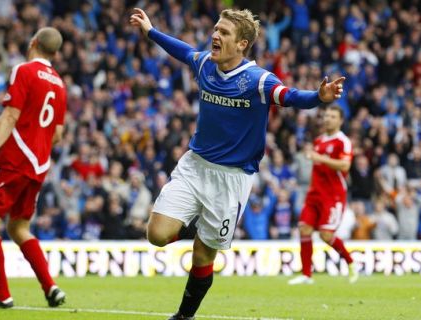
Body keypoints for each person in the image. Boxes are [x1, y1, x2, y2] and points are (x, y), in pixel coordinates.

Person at [130, 7, 345, 319]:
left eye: (224, 32)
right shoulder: (205, 63)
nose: (215, 35)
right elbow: (183, 51)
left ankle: (184, 315)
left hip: (232, 180)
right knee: (157, 235)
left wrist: (319, 97)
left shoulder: (258, 81)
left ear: (242, 44)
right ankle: (194, 222)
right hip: (195, 166)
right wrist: (150, 31)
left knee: (203, 255)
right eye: (216, 29)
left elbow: (293, 96)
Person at [0, 27, 67, 309]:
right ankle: (51, 288)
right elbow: (58, 134)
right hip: (39, 164)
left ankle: (2, 296)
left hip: (15, 159)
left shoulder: (23, 70)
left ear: (33, 42)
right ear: (56, 53)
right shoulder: (59, 84)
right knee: (19, 226)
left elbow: (10, 114)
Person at [288, 105, 358, 285]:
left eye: (333, 116)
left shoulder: (343, 141)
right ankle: (306, 275)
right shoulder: (319, 141)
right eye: (326, 116)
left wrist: (321, 159)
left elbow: (345, 166)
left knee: (326, 235)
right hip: (314, 194)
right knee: (304, 229)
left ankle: (351, 262)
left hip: (333, 196)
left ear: (340, 120)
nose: (328, 119)